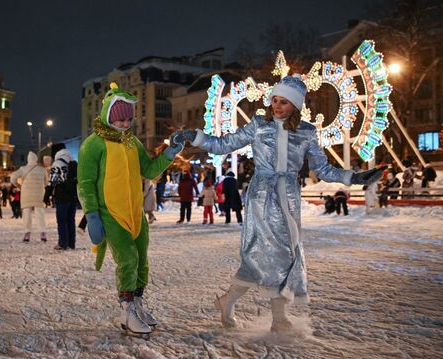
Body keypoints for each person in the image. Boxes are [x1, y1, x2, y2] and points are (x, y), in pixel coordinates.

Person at [172, 74, 384, 332]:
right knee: (271, 254)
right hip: (263, 195)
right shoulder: (259, 125)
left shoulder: (306, 132)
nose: (277, 106)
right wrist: (195, 137)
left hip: (289, 198)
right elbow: (224, 144)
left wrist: (354, 177)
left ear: (295, 105)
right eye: (275, 100)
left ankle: (230, 302)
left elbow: (324, 169)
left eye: (284, 102)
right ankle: (277, 318)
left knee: (280, 254)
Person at [77, 83, 181, 336]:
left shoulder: (132, 142)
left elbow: (149, 170)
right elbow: (86, 183)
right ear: (109, 115)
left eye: (128, 119)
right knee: (128, 260)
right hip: (111, 214)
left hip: (136, 214)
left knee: (142, 262)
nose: (125, 124)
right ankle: (126, 310)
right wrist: (92, 215)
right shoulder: (93, 145)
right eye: (120, 119)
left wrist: (169, 154)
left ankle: (136, 303)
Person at [45, 147, 78, 250]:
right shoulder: (74, 163)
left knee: (62, 220)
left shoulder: (57, 164)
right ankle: (71, 243)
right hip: (73, 197)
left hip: (62, 197)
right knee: (71, 220)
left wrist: (46, 196)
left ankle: (63, 243)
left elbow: (52, 182)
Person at [11, 151, 48, 242]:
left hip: (26, 195)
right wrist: (42, 186)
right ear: (36, 159)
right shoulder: (42, 169)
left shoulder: (23, 169)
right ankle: (42, 233)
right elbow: (47, 181)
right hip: (39, 195)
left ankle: (27, 233)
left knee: (26, 214)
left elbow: (13, 177)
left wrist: (18, 185)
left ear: (28, 159)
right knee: (40, 214)